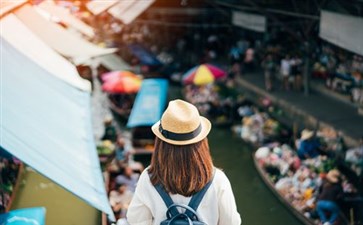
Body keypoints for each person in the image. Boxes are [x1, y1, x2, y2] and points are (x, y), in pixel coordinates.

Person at [126, 99, 241, 225]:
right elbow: (231, 222)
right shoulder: (218, 180)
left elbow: (136, 221)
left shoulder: (149, 178)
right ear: (201, 143)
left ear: (161, 144)